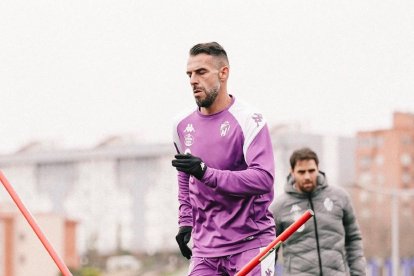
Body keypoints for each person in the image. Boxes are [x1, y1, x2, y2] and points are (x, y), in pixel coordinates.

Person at [171, 42, 276, 276]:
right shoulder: (181, 125)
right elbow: (184, 175)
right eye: (189, 74)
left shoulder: (250, 120)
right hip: (205, 249)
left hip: (251, 243)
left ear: (223, 73)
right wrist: (185, 220)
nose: (193, 80)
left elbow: (263, 178)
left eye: (201, 72)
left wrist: (206, 173)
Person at [272, 147, 366, 275]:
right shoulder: (279, 207)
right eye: (301, 172)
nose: (307, 176)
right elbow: (270, 252)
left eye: (311, 171)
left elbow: (353, 239)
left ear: (318, 168)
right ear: (292, 172)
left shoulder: (339, 198)